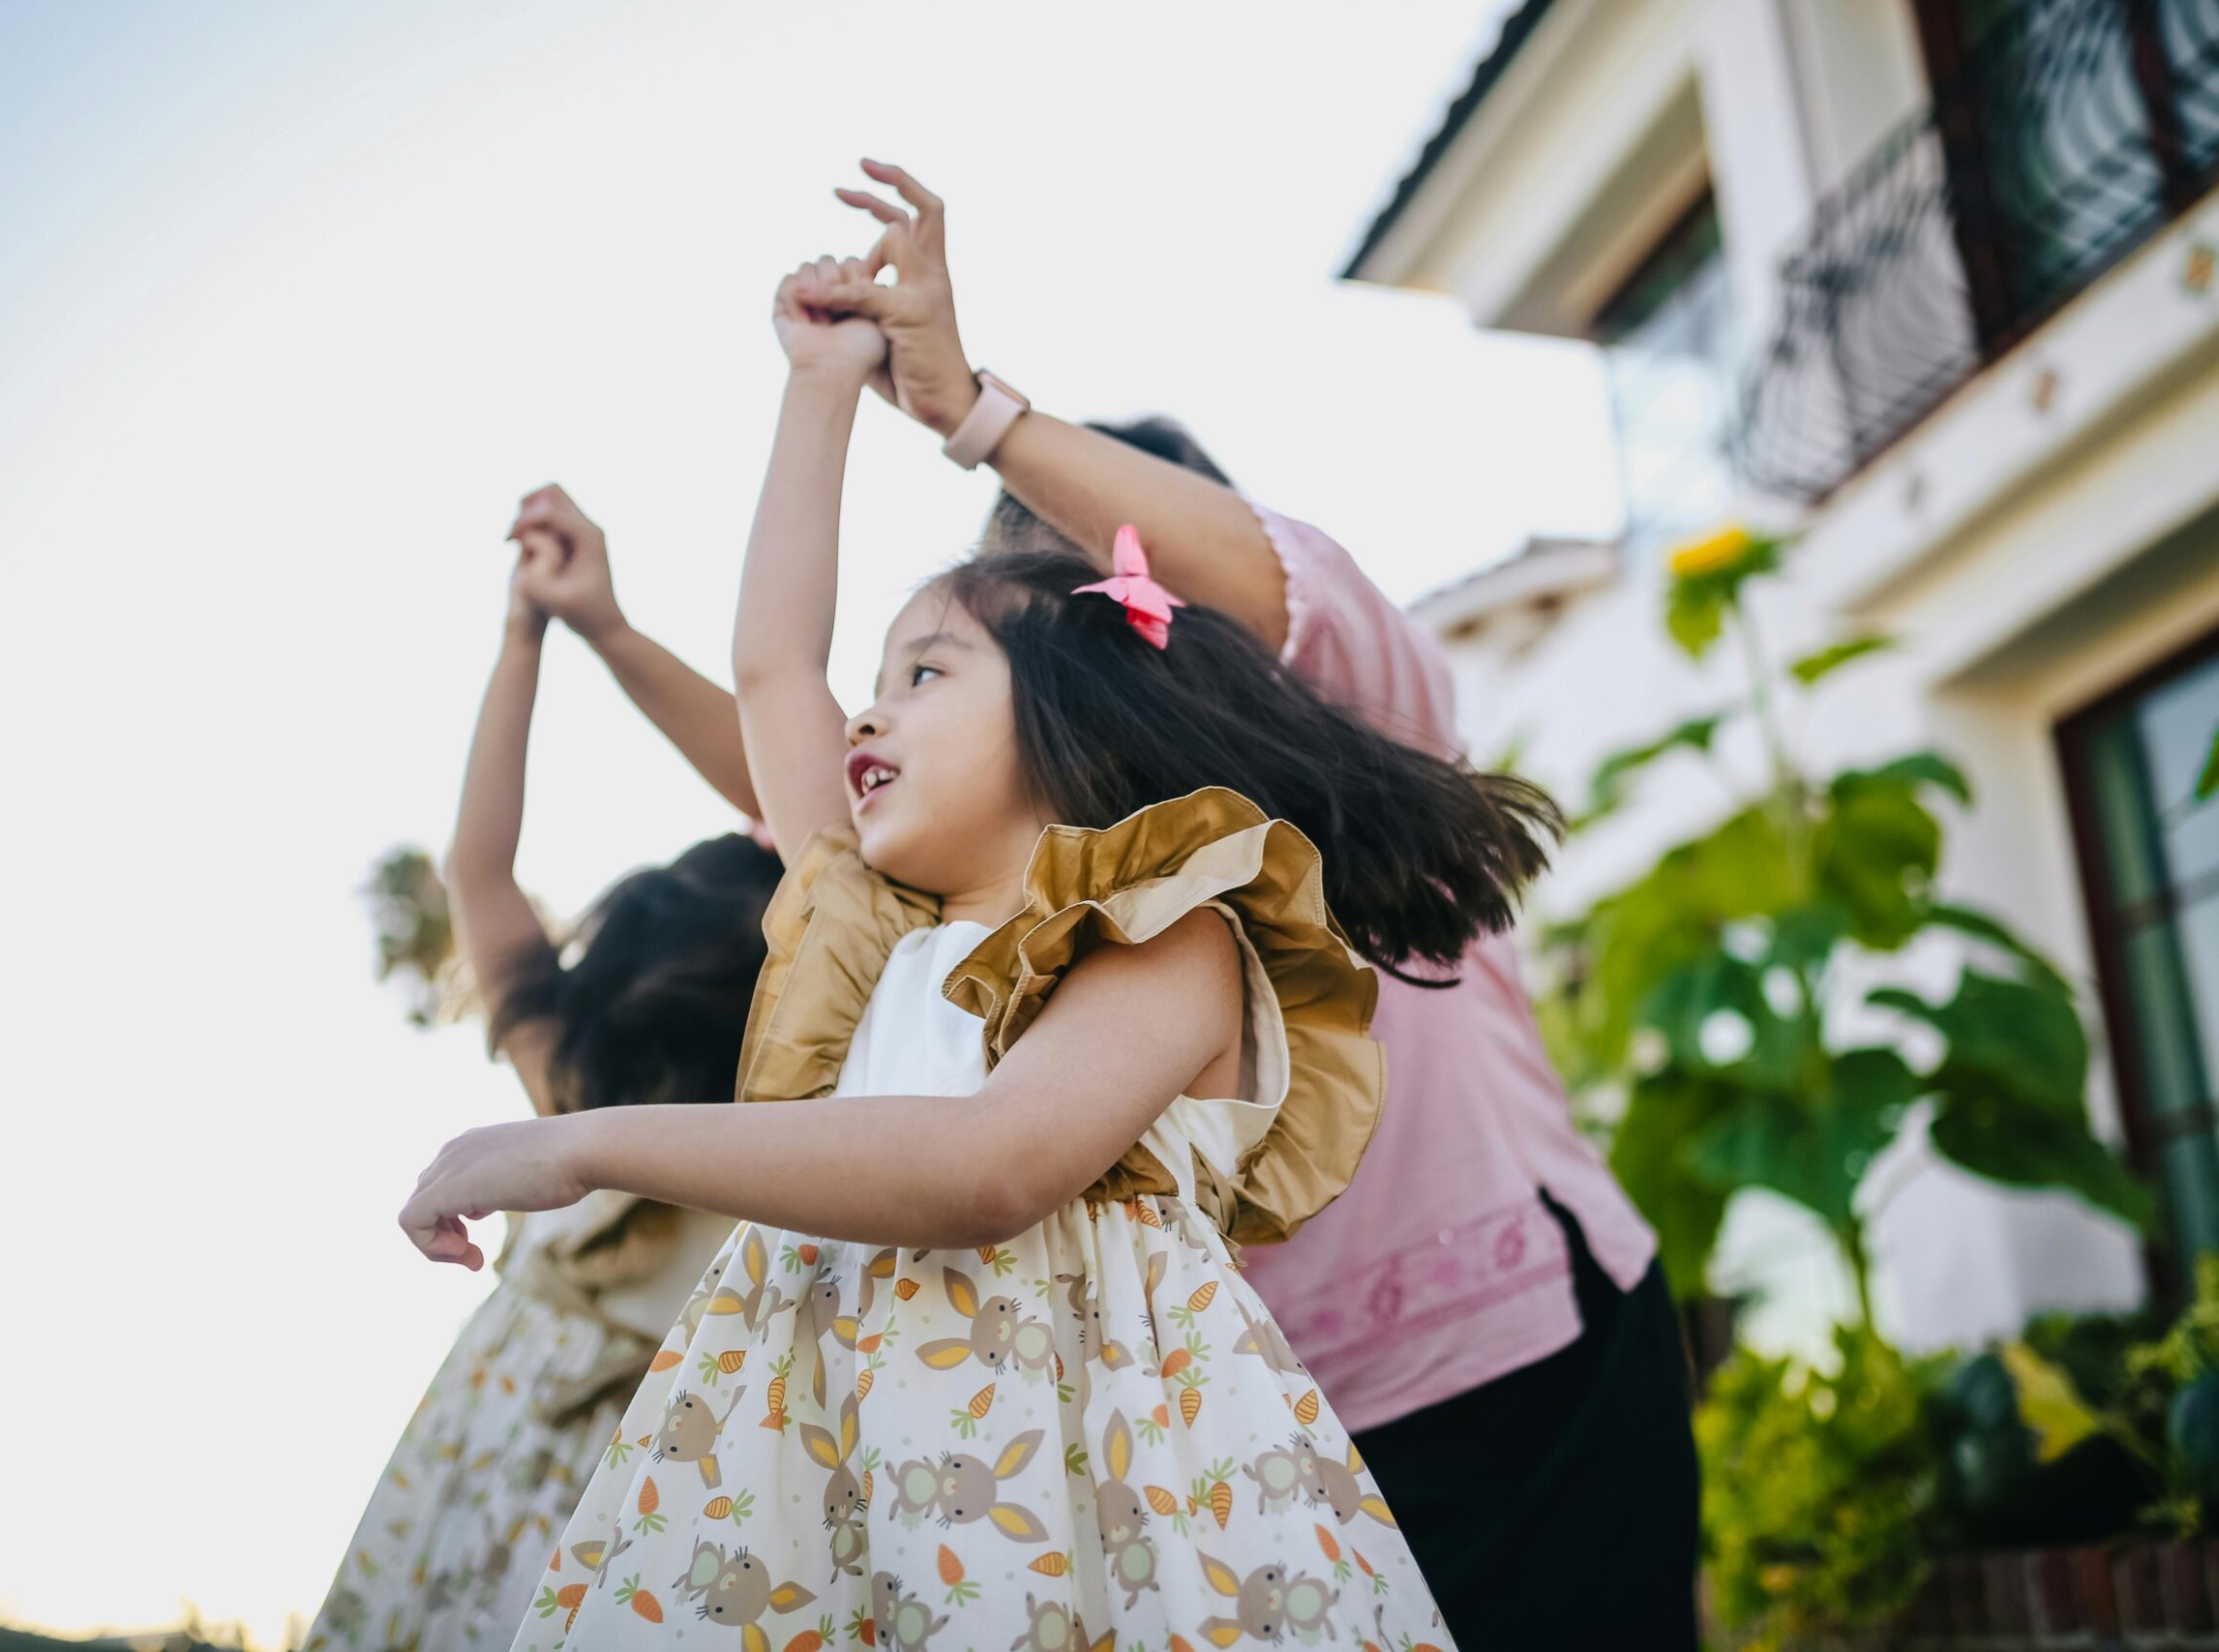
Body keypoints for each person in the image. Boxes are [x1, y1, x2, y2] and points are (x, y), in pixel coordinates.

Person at [395, 254, 1564, 1650]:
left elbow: (986, 1165)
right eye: (876, 683)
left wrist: (585, 1142)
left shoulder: (1167, 937)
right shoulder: (870, 931)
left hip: (1085, 1518)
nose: (866, 717)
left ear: (1081, 716)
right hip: (836, 1490)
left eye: (925, 676)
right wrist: (816, 387)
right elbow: (775, 663)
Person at [792, 161, 1701, 1645]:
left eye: (1116, 554)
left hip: (1534, 1368)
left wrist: (976, 412)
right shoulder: (1050, 868)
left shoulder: (1359, 710)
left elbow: (1266, 572)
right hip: (1275, 1444)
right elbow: (807, 752)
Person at [307, 529, 781, 1652]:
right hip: (654, 1488)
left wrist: (527, 636)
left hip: (479, 1441)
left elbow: (477, 867)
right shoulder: (793, 1136)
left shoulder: (568, 1083)